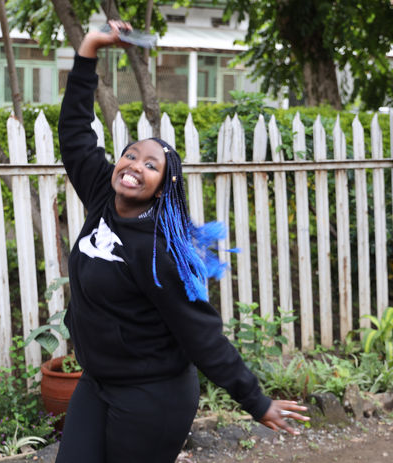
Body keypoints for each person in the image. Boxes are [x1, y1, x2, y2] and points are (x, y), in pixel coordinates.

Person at [56, 20, 309, 463]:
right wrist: (89, 48)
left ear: (162, 188)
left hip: (152, 397)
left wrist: (255, 401)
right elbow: (75, 132)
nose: (135, 165)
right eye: (131, 155)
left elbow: (201, 335)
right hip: (98, 383)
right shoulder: (101, 196)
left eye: (150, 165)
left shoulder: (161, 252)